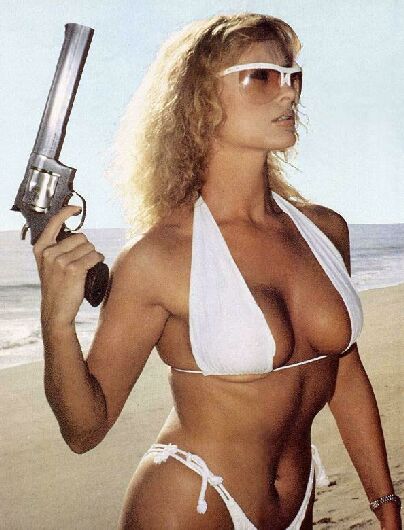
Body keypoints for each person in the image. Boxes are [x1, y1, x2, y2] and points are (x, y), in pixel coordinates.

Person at [33, 13, 401, 530]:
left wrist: (386, 505)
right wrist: (57, 323)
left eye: (293, 76)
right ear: (201, 100)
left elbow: (343, 373)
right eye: (262, 76)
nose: (289, 93)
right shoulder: (159, 257)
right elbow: (84, 430)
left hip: (299, 505)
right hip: (191, 502)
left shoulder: (324, 230)